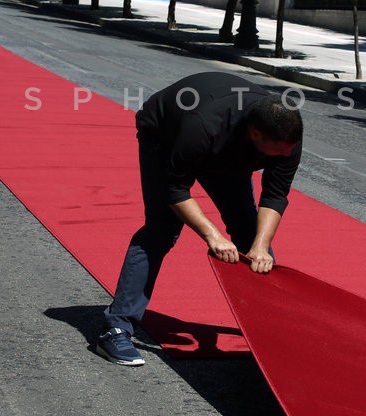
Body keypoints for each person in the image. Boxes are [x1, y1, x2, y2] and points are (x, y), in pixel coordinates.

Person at [96, 72, 304, 366]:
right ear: (256, 135)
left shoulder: (287, 135)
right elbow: (175, 189)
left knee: (250, 232)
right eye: (278, 152)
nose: (286, 155)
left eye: (289, 151)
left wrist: (260, 246)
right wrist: (213, 236)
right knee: (162, 229)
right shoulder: (203, 128)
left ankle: (271, 336)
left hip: (227, 150)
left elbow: (274, 194)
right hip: (165, 135)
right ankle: (115, 328)